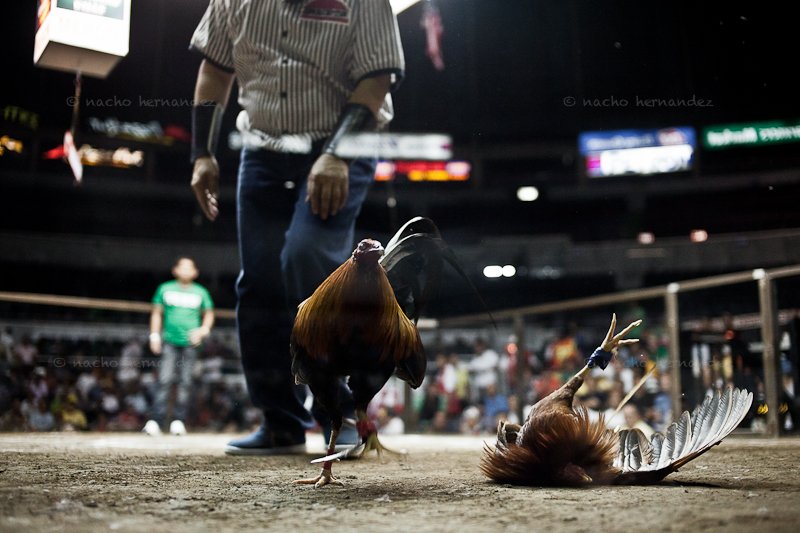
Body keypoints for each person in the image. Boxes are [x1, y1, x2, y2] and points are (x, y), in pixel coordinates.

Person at [188, 0, 405, 455]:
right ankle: (280, 421)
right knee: (259, 281)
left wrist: (336, 155)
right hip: (263, 148)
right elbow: (215, 69)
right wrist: (202, 152)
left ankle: (344, 413)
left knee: (308, 258)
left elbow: (376, 78)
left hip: (340, 142)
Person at [144, 256, 215, 436]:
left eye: (189, 267)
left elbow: (209, 314)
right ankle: (156, 421)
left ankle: (178, 421)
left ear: (195, 272)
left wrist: (203, 330)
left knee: (185, 382)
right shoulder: (165, 289)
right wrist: (154, 335)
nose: (185, 270)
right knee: (164, 379)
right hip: (169, 341)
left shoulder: (201, 292)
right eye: (181, 267)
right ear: (175, 270)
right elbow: (156, 313)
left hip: (191, 343)